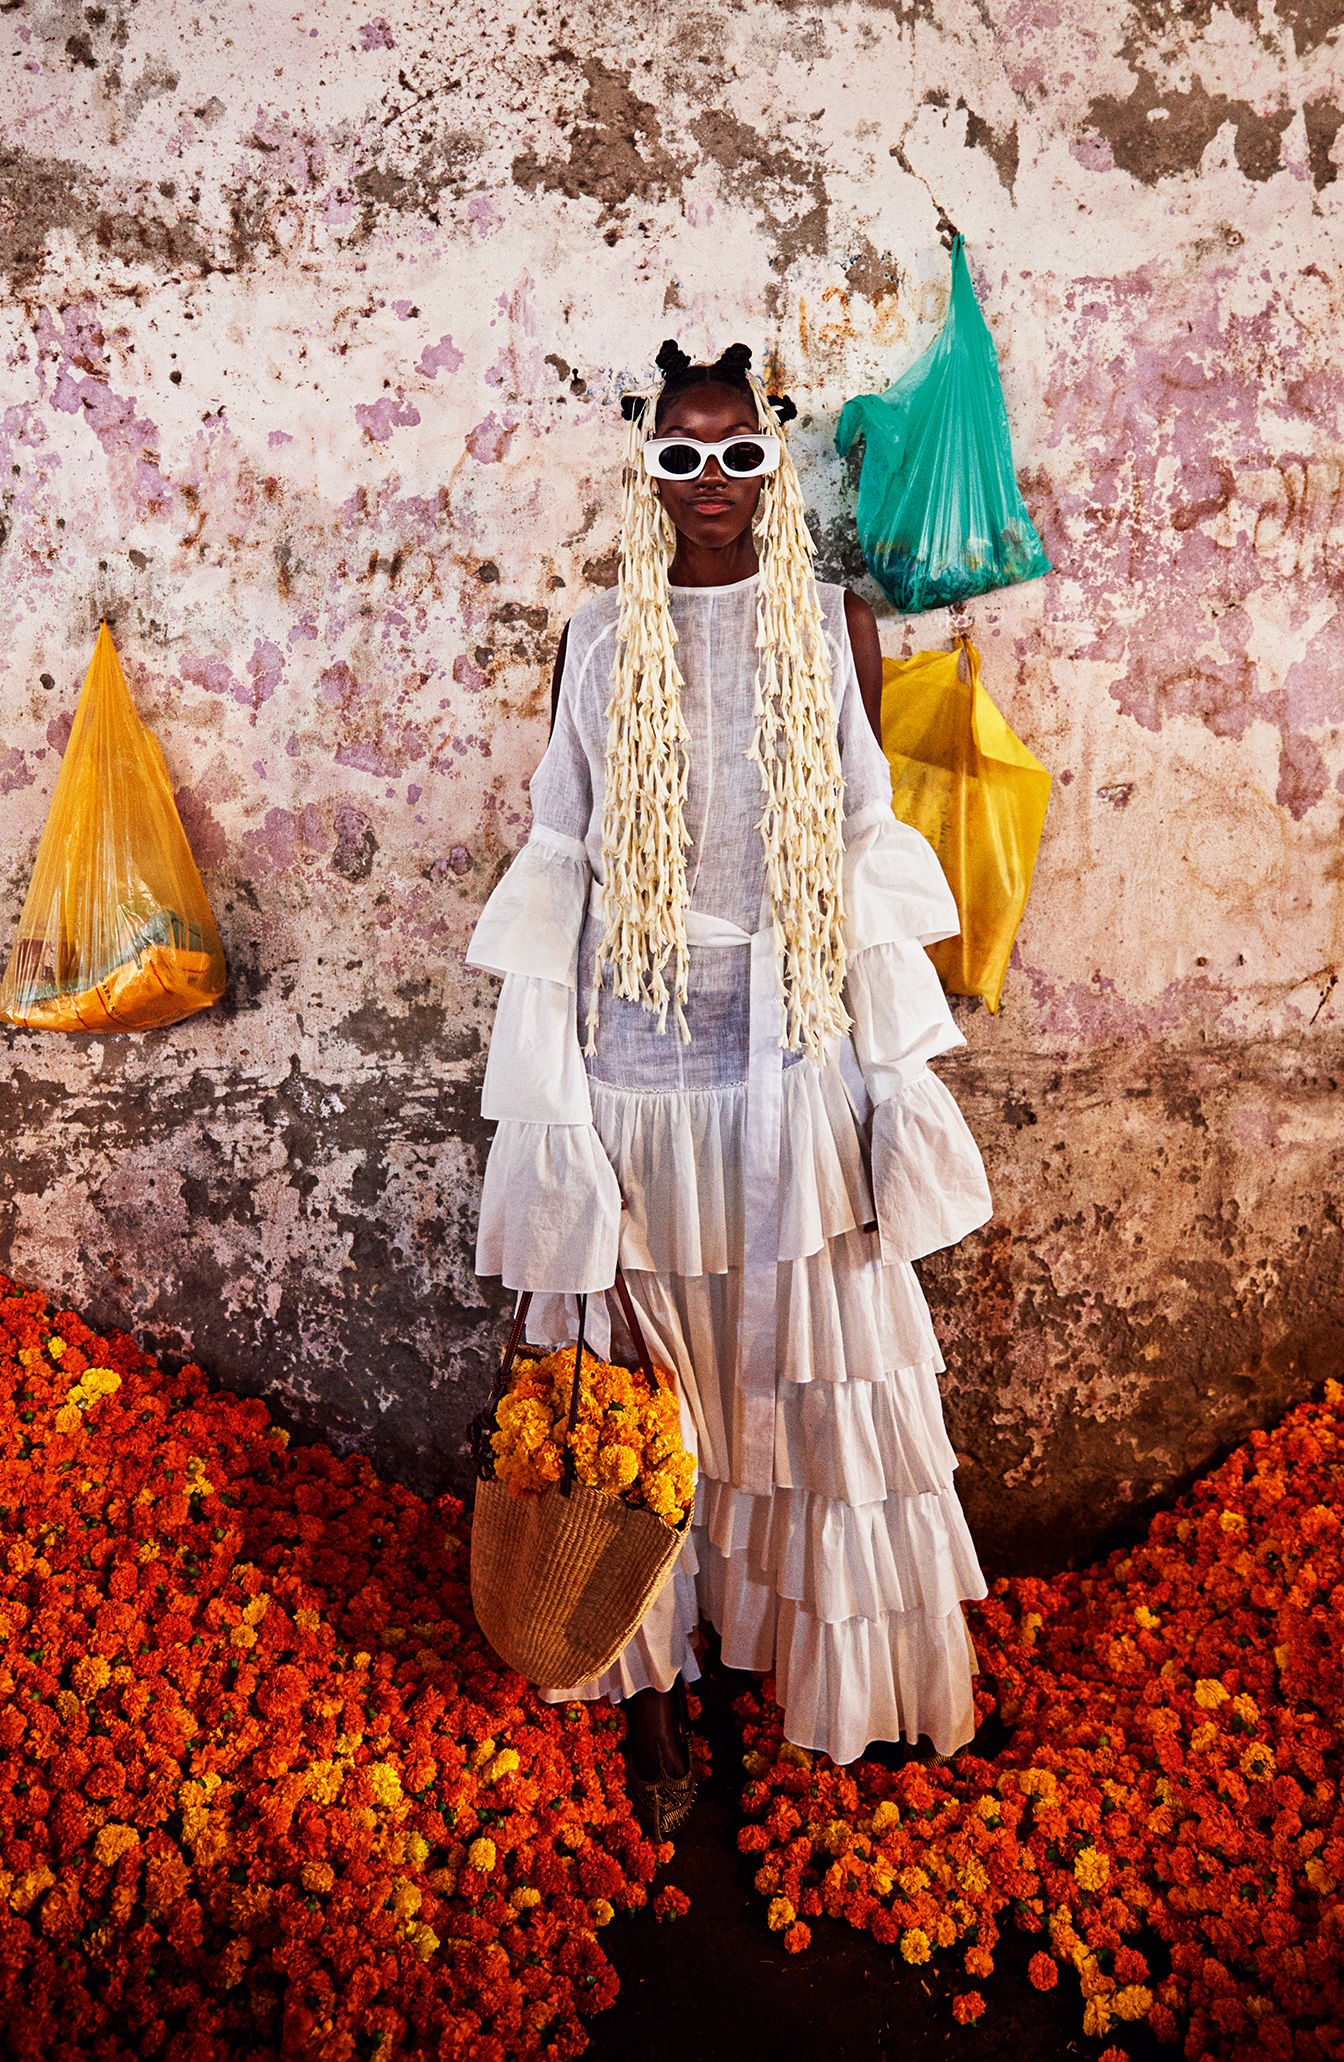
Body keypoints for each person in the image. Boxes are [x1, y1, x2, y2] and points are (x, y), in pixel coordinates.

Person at [465, 339, 994, 1835]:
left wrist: (877, 1060)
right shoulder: (591, 634)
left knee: (802, 1365)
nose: (710, 483)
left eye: (737, 453)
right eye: (680, 456)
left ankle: (810, 1661)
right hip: (633, 1057)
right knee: (642, 1379)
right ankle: (653, 1683)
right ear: (648, 468)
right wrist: (554, 1075)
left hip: (784, 1041)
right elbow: (562, 852)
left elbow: (855, 831)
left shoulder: (829, 625)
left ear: (774, 460)